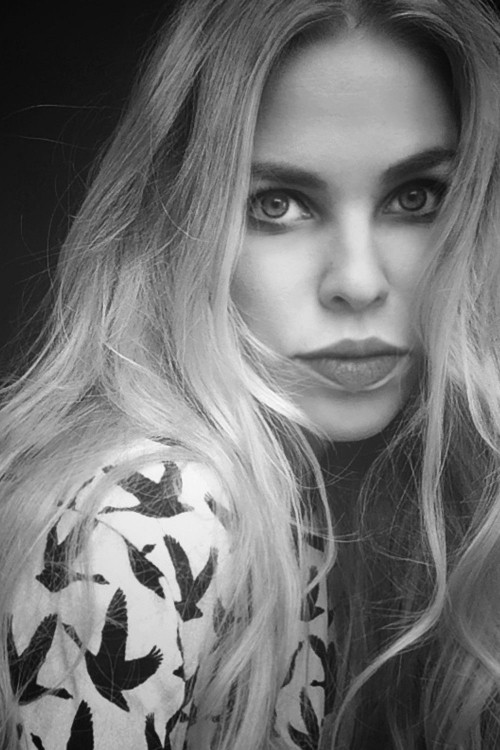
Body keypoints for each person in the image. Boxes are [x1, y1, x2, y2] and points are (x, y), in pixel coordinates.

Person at [2, 0, 500, 747]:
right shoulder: (153, 513)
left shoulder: (304, 497)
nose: (359, 282)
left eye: (416, 198)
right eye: (278, 204)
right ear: (176, 229)